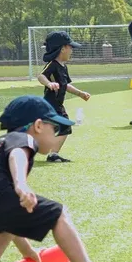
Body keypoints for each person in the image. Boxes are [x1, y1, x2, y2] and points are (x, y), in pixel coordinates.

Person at [0, 95, 128, 262]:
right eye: (55, 129)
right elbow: (17, 154)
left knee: (11, 211)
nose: (57, 135)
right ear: (39, 125)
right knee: (58, 214)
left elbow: (12, 217)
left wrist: (27, 251)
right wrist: (21, 184)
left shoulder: (0, 142)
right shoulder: (23, 138)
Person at [36, 31, 91, 163]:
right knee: (64, 127)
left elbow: (66, 85)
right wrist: (49, 83)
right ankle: (52, 154)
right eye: (70, 47)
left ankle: (49, 152)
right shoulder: (52, 64)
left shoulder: (63, 67)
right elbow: (41, 76)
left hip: (57, 104)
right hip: (51, 104)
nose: (72, 50)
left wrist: (80, 93)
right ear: (62, 49)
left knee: (53, 129)